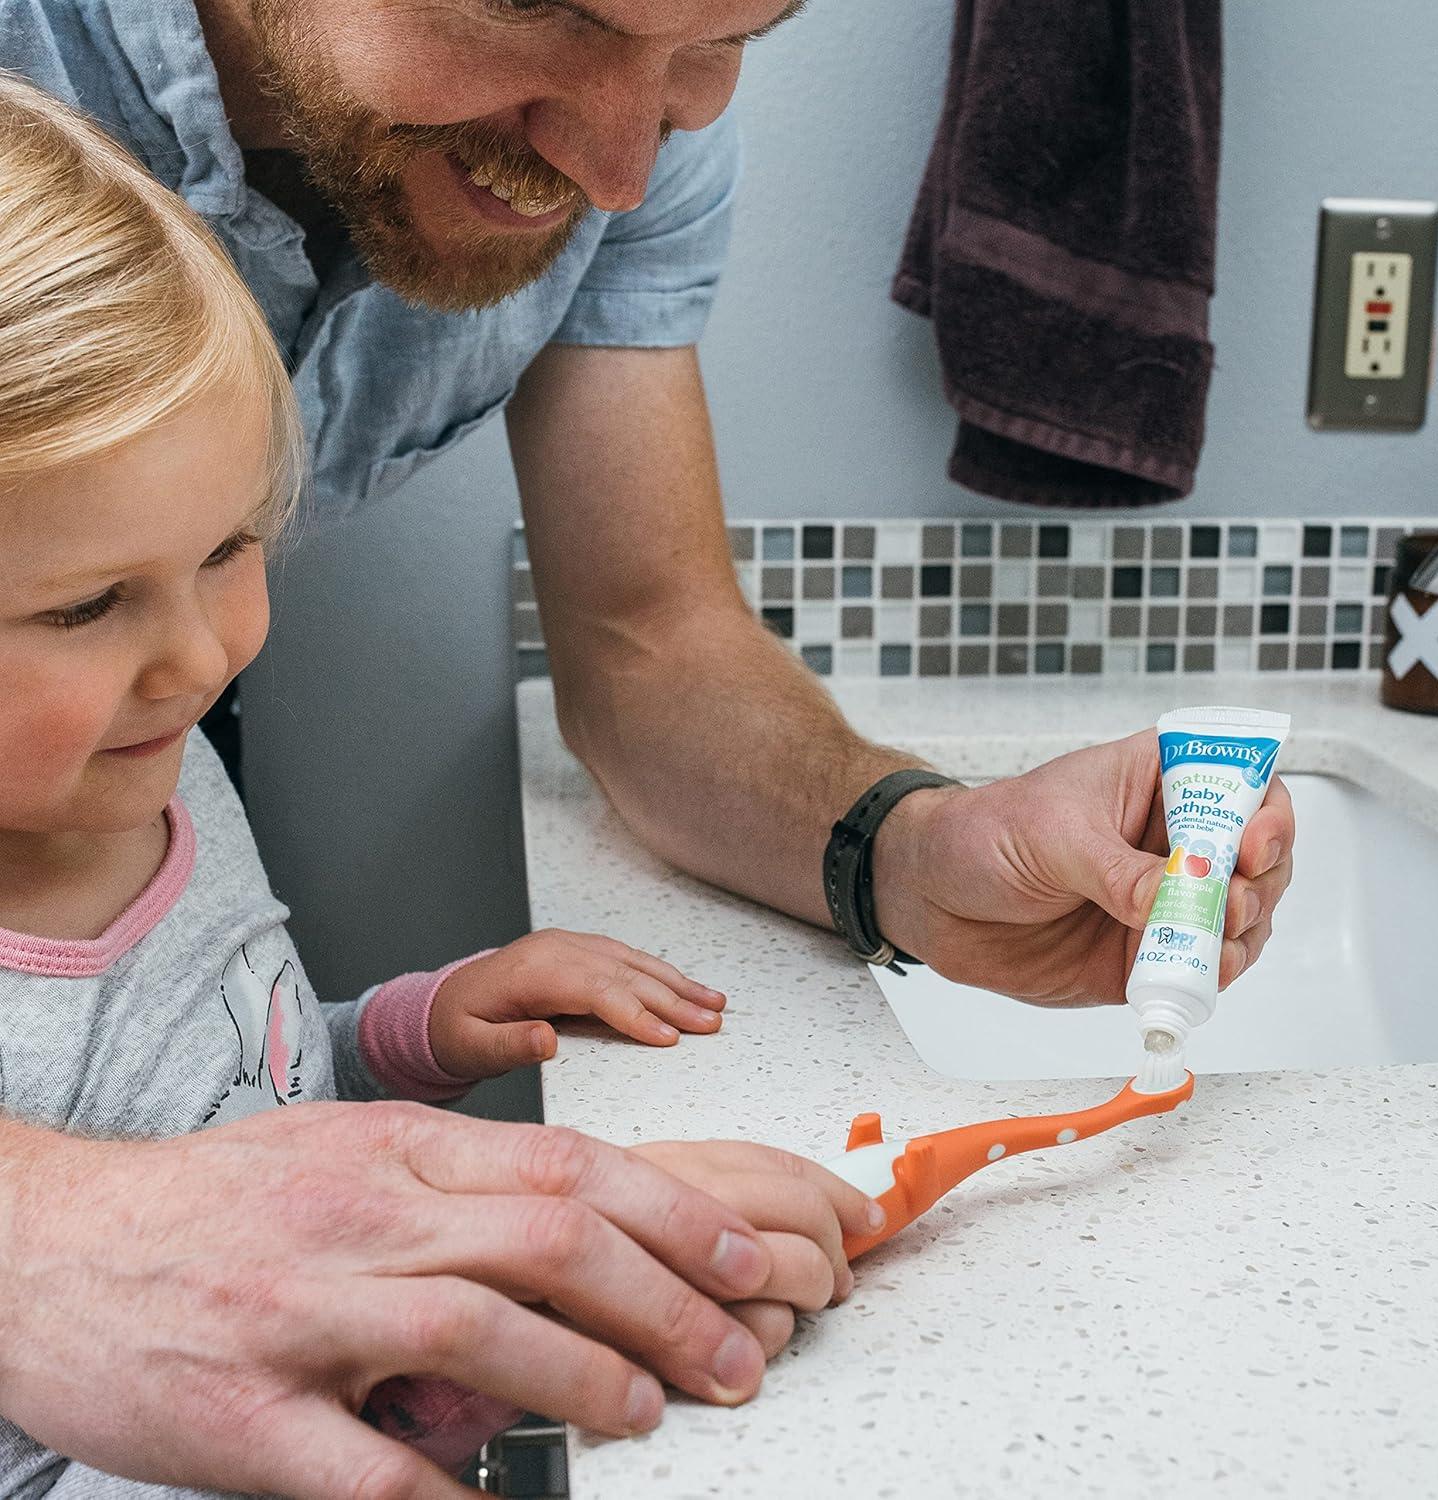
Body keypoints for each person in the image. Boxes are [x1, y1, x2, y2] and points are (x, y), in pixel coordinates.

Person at [0, 0, 1296, 1493]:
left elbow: (648, 638)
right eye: (542, 9)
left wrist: (915, 851)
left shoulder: (167, 780)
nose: (624, 168)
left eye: (716, 41)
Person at [0, 72, 882, 1498]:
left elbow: (239, 1105)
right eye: (90, 604)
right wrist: (431, 1366)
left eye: (230, 552)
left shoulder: (150, 783)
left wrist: (413, 1034)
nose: (197, 661)